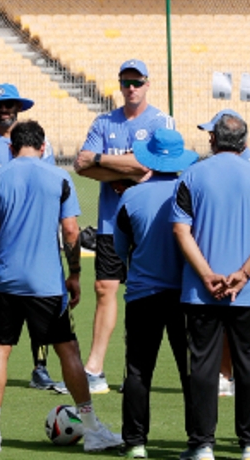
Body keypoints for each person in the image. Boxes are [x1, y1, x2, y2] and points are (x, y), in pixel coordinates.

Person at [0, 121, 122, 453]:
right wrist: (75, 273)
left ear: (11, 148)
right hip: (47, 282)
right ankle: (92, 429)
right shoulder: (60, 177)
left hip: (5, 279)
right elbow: (70, 232)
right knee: (68, 350)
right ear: (43, 146)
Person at [172, 112, 250, 460]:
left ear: (213, 140)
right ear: (245, 142)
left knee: (202, 367)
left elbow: (180, 230)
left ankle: (202, 444)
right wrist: (244, 274)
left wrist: (206, 274)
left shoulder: (191, 176)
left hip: (200, 291)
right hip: (248, 293)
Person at [74, 60, 174, 394]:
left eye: (137, 82)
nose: (131, 88)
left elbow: (152, 164)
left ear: (148, 84)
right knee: (104, 288)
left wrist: (106, 162)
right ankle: (95, 369)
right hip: (109, 221)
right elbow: (82, 164)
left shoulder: (161, 121)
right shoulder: (104, 121)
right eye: (126, 82)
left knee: (147, 293)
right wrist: (126, 169)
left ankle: (138, 370)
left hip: (148, 222)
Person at [0, 84, 62, 394]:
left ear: (19, 107)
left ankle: (40, 368)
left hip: (32, 240)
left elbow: (50, 186)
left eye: (9, 105)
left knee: (38, 302)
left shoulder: (41, 144)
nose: (4, 110)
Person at [113, 128, 198, 459]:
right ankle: (198, 438)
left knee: (137, 370)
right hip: (186, 294)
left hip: (142, 295)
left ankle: (135, 442)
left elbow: (121, 248)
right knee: (191, 369)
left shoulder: (130, 197)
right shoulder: (190, 191)